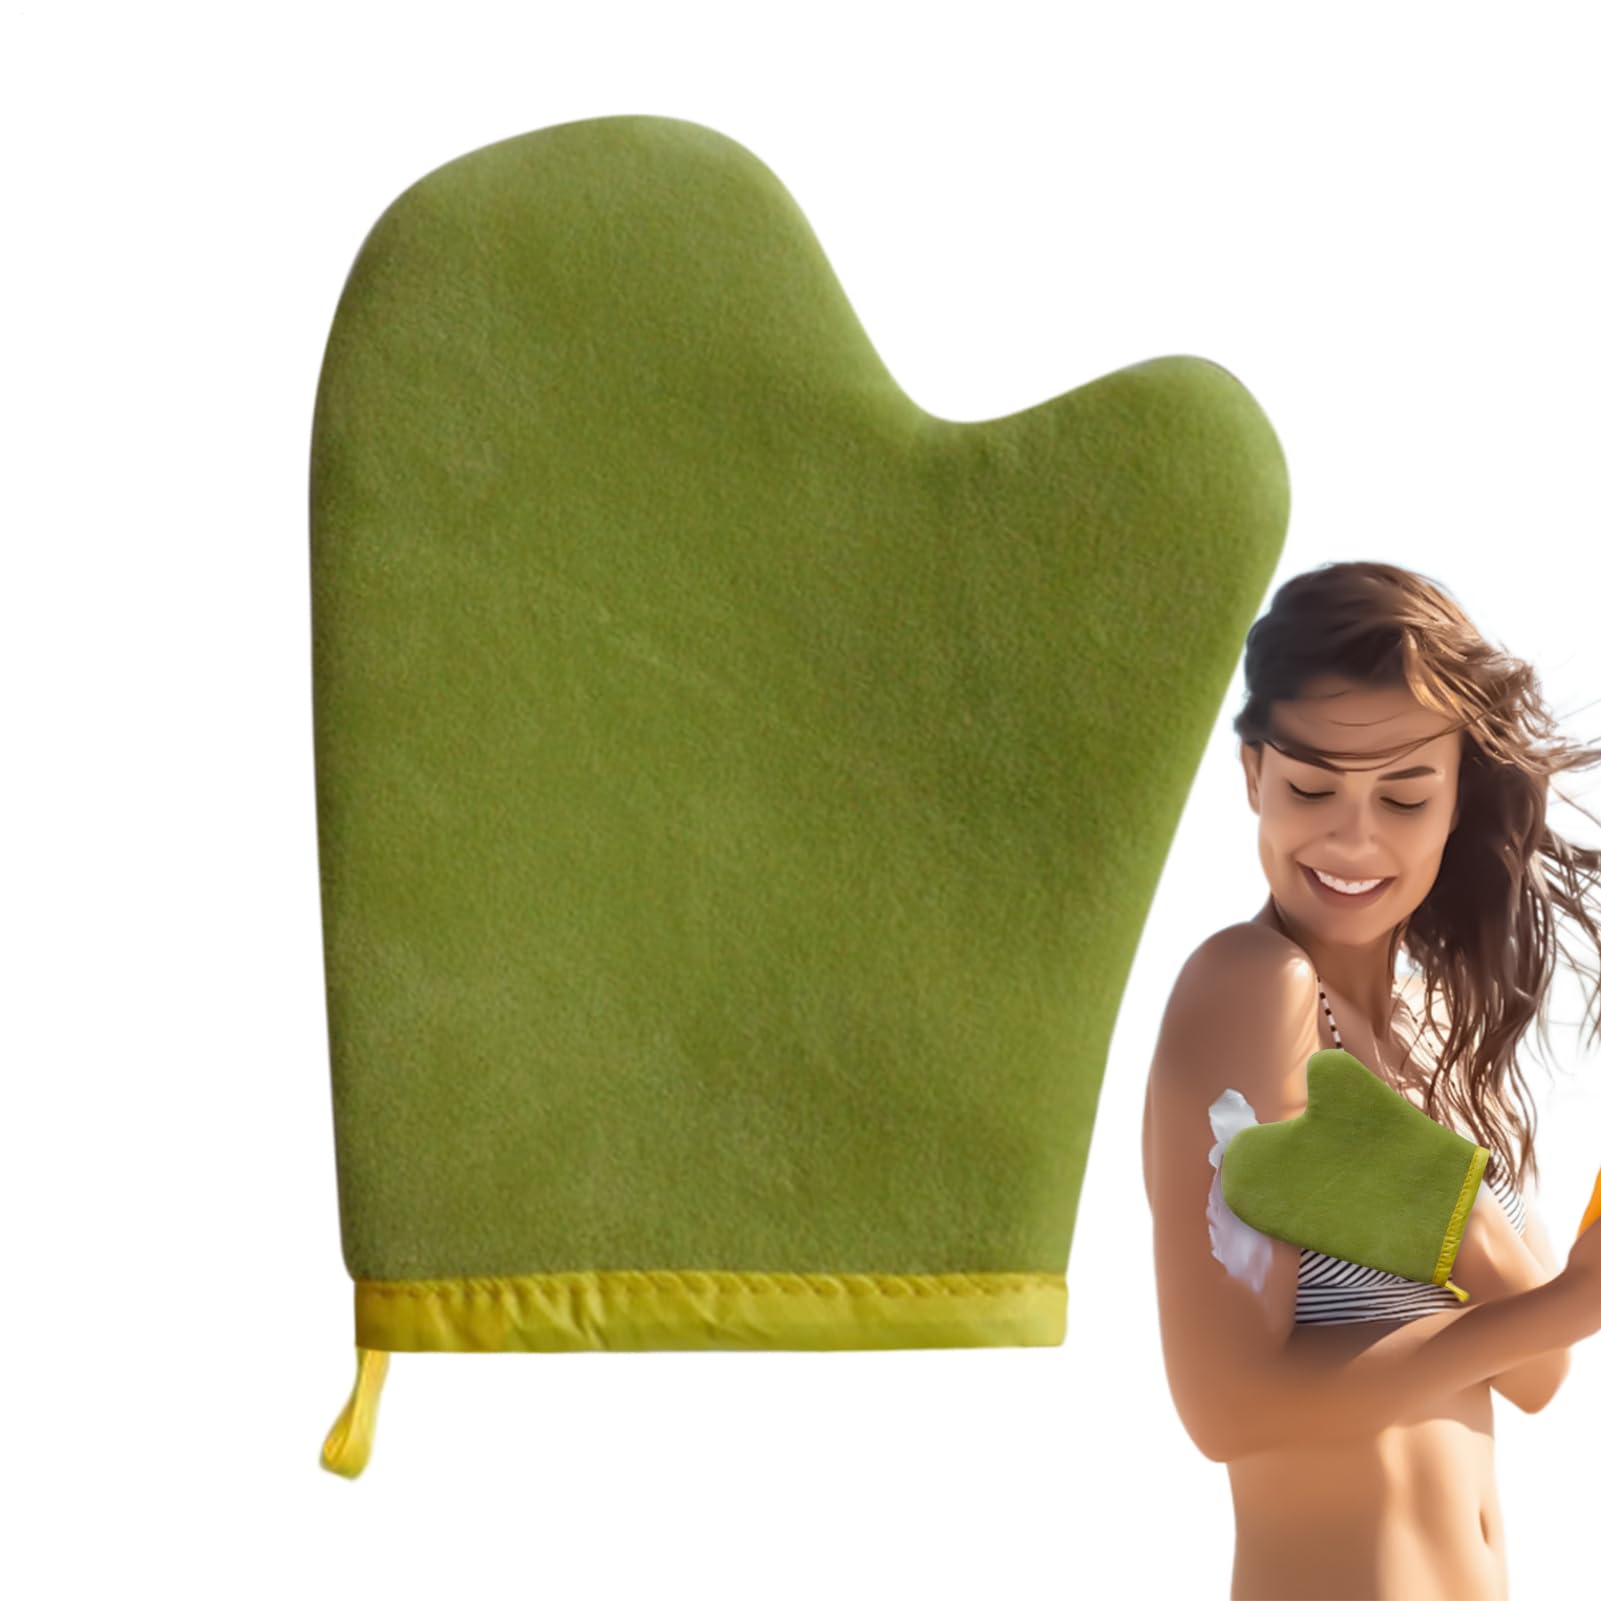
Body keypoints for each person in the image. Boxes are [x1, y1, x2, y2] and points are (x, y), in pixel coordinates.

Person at [1142, 559, 1601, 1599]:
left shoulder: (1435, 1025)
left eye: (1402, 795)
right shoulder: (1249, 987)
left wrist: (1452, 1217)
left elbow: (1535, 1374)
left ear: (1456, 797)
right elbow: (1225, 1407)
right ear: (1252, 774)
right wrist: (1569, 1293)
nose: (1352, 837)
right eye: (1310, 787)